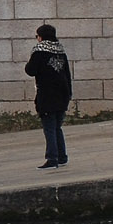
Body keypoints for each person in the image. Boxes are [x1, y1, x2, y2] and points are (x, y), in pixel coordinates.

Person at [24, 23, 73, 169]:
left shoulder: (39, 51)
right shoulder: (61, 51)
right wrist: (69, 94)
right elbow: (67, 74)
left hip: (47, 95)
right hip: (62, 94)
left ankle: (52, 158)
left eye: (37, 36)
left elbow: (30, 70)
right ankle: (62, 156)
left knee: (49, 127)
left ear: (41, 36)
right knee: (57, 126)